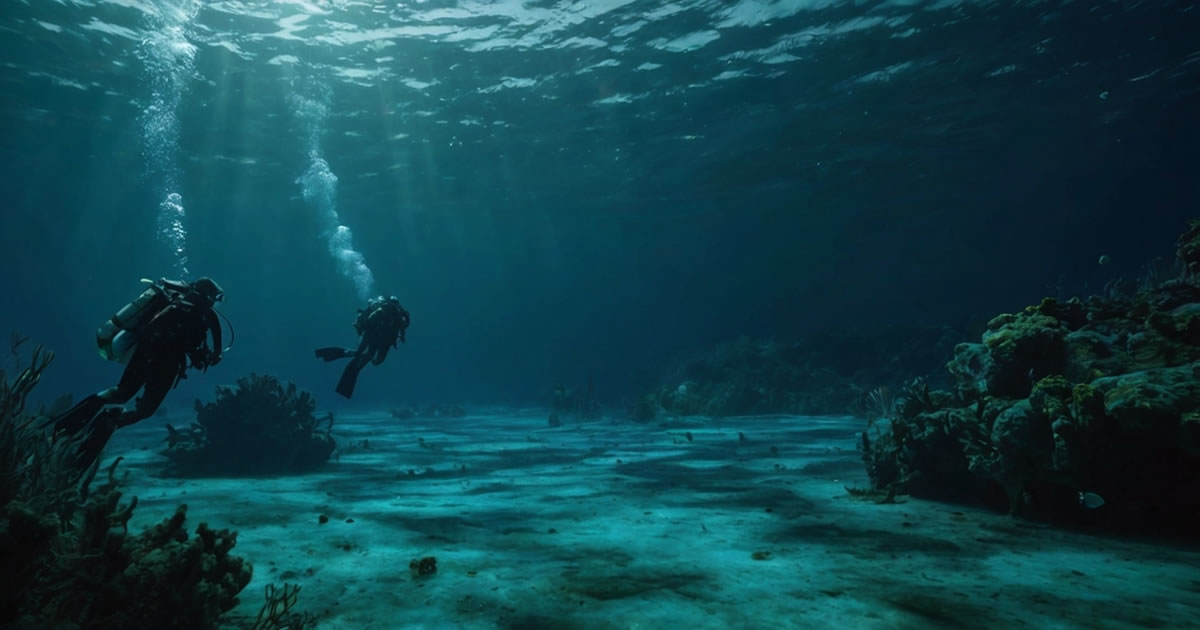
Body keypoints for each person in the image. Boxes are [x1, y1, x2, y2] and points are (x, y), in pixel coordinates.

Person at [51, 277, 227, 467]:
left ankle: (62, 428)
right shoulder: (208, 316)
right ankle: (99, 434)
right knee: (144, 410)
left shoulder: (173, 303)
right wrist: (205, 356)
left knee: (120, 392)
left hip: (144, 351)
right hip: (167, 364)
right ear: (209, 297)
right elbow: (212, 353)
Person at [316, 295, 410, 399]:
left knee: (371, 360)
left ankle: (352, 355)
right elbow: (371, 323)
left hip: (379, 340)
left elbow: (401, 328)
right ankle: (352, 354)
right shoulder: (389, 313)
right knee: (365, 356)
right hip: (375, 339)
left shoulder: (395, 315)